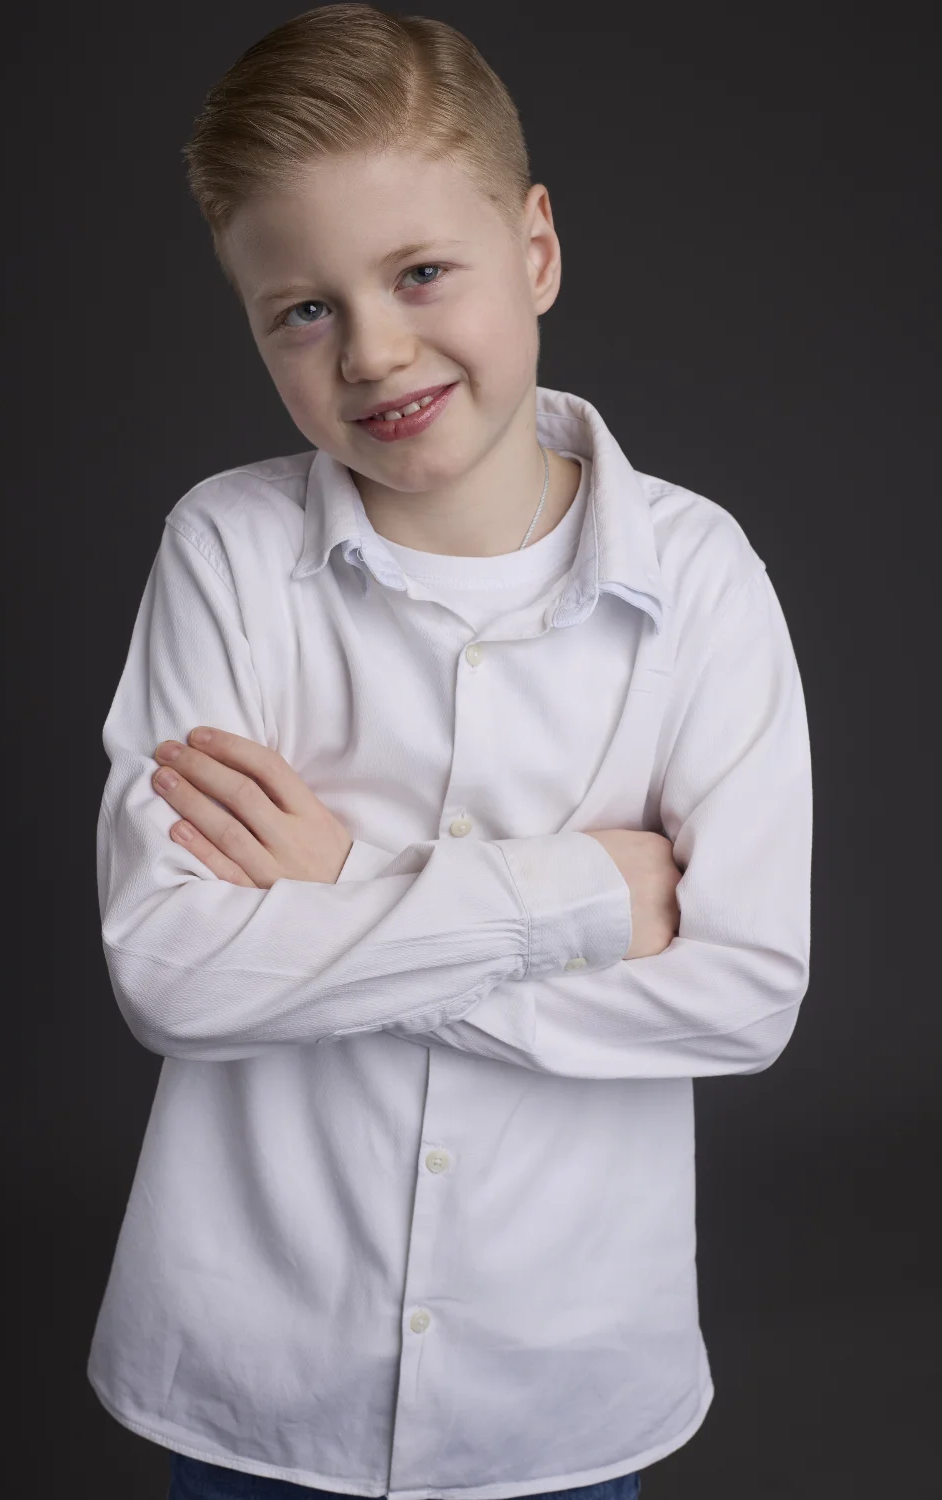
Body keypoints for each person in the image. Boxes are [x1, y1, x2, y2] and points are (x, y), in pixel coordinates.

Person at [88, 6, 813, 1499]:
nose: (373, 349)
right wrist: (577, 903)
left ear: (534, 249)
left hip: (557, 1389)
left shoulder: (703, 576)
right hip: (253, 1376)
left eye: (422, 272)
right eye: (303, 309)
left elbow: (745, 994)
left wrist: (344, 882)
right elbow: (169, 968)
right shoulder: (227, 550)